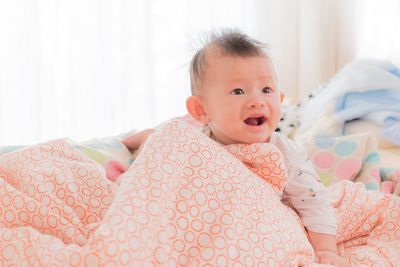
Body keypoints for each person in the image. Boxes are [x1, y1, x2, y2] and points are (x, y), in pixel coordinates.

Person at [123, 29, 348, 266]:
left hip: (259, 221)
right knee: (166, 137)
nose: (257, 101)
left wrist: (327, 251)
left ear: (280, 100)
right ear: (202, 110)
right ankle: (147, 136)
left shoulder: (285, 153)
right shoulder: (196, 141)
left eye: (266, 90)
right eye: (238, 91)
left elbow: (313, 201)